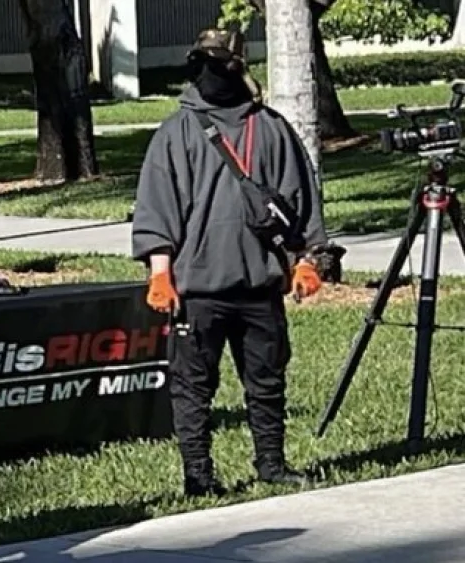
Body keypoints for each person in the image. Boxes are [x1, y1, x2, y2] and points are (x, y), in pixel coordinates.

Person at [131, 29, 327, 498]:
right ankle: (198, 477)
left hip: (261, 283)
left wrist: (308, 261)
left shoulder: (272, 128)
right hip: (197, 289)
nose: (209, 74)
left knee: (267, 381)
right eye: (202, 65)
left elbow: (301, 201)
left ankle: (272, 464)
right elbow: (158, 209)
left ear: (238, 68)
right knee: (193, 388)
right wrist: (160, 274)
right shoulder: (175, 133)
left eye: (218, 65)